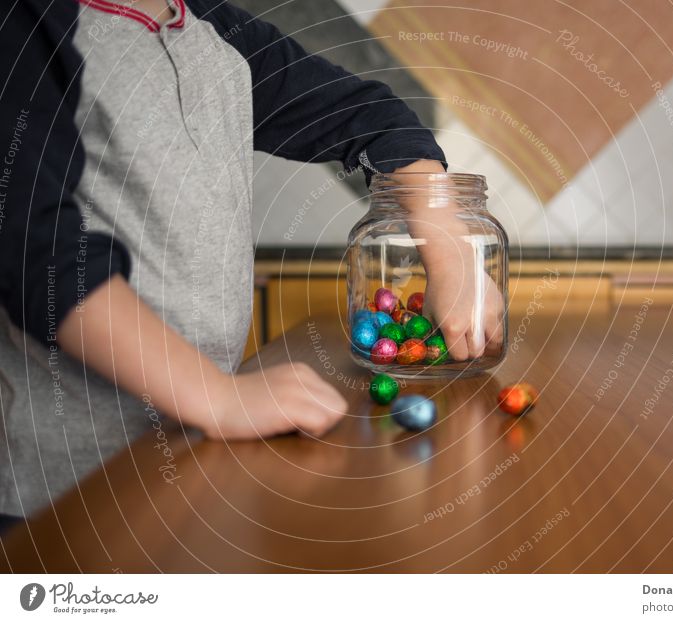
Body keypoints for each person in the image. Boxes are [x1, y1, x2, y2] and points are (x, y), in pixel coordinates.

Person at [0, 0, 501, 524]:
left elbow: (372, 117)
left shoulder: (214, 31)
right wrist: (216, 397)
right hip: (62, 490)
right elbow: (35, 248)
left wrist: (450, 245)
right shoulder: (28, 25)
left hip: (201, 457)